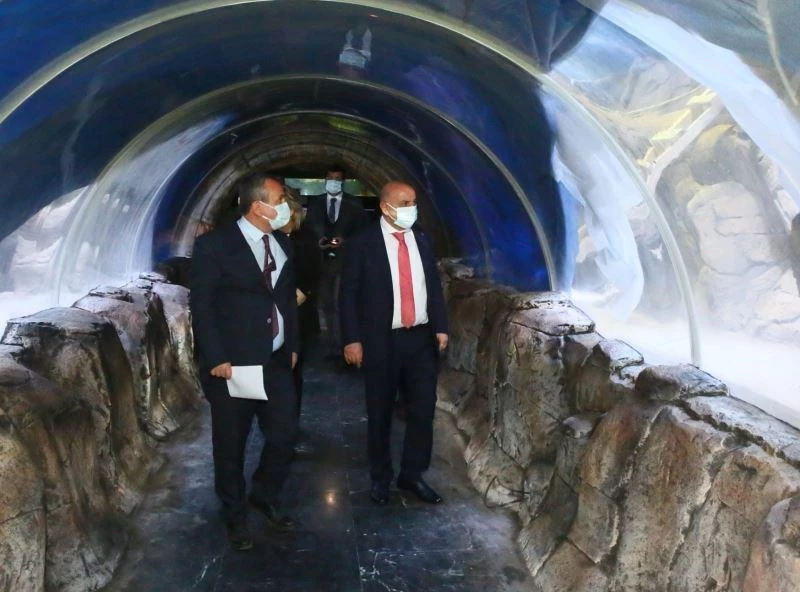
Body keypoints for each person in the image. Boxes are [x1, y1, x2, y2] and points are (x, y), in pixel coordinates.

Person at [189, 172, 299, 551]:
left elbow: (286, 300)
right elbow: (202, 306)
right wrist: (216, 357)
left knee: (284, 435)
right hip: (234, 365)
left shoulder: (282, 242)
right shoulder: (215, 246)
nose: (286, 206)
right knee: (230, 445)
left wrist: (293, 344)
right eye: (280, 199)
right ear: (258, 206)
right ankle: (234, 515)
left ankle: (264, 494)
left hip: (276, 359)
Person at [339, 181, 449, 506]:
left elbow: (432, 285)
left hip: (420, 339)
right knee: (380, 411)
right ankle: (380, 477)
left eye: (413, 202)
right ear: (386, 207)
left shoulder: (422, 238)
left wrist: (441, 326)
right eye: (405, 203)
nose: (411, 208)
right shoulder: (363, 243)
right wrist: (352, 339)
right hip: (380, 339)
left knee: (423, 409)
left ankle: (412, 474)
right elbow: (348, 294)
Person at [305, 166, 368, 357]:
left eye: (337, 178)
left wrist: (345, 241)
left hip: (345, 262)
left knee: (342, 303)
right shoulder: (315, 203)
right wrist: (317, 242)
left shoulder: (354, 204)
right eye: (330, 178)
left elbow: (363, 232)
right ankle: (330, 345)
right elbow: (307, 231)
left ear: (343, 181)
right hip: (321, 262)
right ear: (325, 180)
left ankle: (345, 345)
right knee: (325, 305)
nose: (333, 182)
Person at [279, 186, 320, 454]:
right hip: (265, 320)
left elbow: (311, 276)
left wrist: (301, 293)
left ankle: (288, 426)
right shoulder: (265, 237)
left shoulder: (305, 239)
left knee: (292, 372)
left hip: (297, 316)